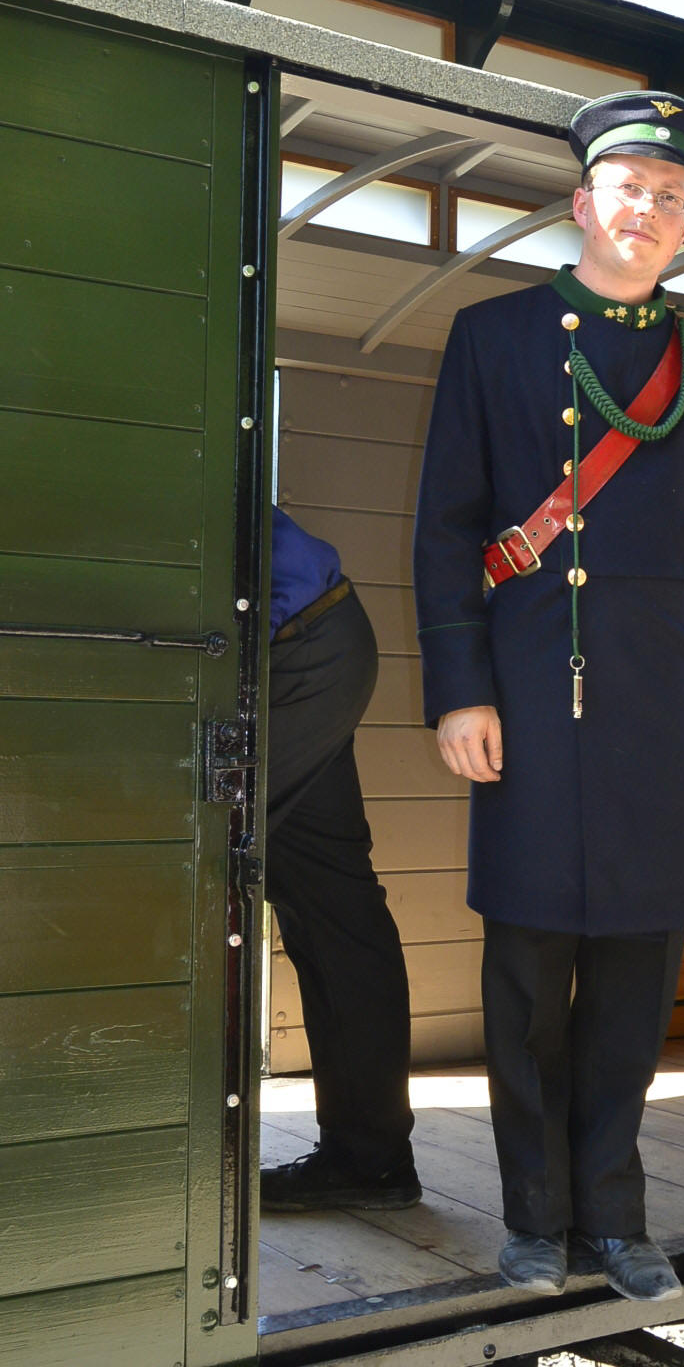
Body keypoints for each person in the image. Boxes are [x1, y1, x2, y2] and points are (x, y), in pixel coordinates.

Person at [412, 91, 684, 1300]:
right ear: (581, 202)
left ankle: (616, 1210)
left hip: (658, 705)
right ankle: (535, 1218)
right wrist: (459, 690)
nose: (646, 213)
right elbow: (447, 530)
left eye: (669, 198)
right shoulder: (493, 338)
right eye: (628, 190)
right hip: (534, 697)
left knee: (640, 979)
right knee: (529, 977)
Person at [259, 506, 418, 1211]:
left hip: (298, 649)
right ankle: (369, 1158)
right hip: (314, 638)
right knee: (331, 904)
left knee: (177, 868)